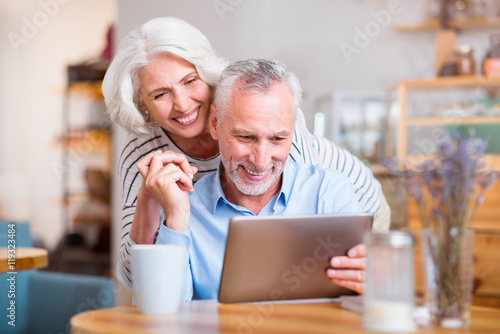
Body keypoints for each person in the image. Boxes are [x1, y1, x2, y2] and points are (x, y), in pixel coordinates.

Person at [101, 17, 390, 290]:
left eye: (190, 81)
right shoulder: (144, 151)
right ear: (142, 104)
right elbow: (134, 276)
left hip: (361, 207)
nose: (182, 104)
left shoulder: (260, 114)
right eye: (160, 94)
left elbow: (289, 205)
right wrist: (150, 200)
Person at [155, 58, 364, 300]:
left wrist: (370, 290)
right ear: (214, 123)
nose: (261, 161)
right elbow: (161, 316)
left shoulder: (330, 193)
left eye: (278, 139)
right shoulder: (182, 207)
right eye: (246, 137)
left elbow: (359, 304)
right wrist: (177, 217)